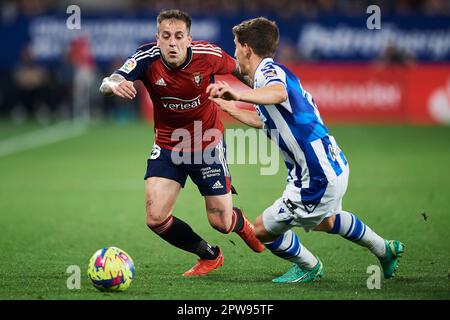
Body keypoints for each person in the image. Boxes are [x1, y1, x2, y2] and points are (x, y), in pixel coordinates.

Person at [207, 17, 404, 283]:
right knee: (328, 221)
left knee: (263, 230)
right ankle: (385, 248)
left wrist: (237, 95)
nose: (234, 53)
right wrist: (230, 108)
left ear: (246, 49)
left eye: (235, 46)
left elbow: (277, 93)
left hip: (315, 175)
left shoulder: (268, 74)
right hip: (330, 163)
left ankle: (309, 266)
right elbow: (267, 121)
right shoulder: (279, 72)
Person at [99, 9, 264, 277]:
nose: (172, 43)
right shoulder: (146, 57)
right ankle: (210, 255)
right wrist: (113, 85)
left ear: (189, 39)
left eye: (178, 36)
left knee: (220, 222)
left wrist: (261, 95)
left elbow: (241, 70)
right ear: (158, 38)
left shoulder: (208, 56)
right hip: (168, 145)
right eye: (166, 36)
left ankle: (238, 221)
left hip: (207, 142)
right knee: (155, 218)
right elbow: (111, 80)